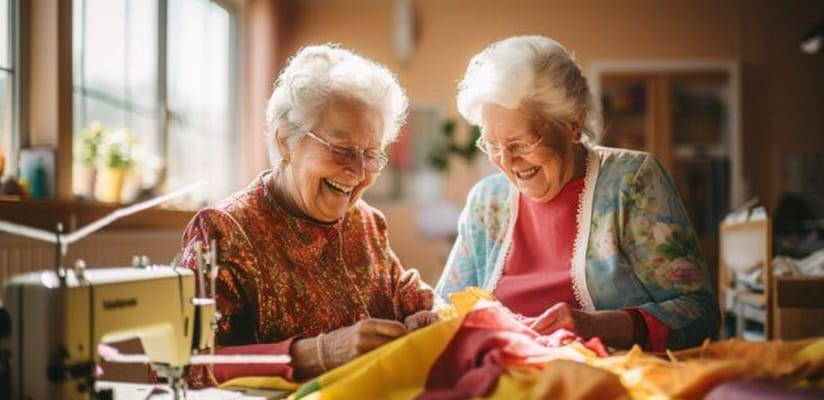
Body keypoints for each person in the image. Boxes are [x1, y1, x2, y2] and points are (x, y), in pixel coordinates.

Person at [435, 35, 720, 351]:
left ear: (573, 123)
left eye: (521, 143)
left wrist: (597, 326)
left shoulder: (632, 182)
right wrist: (423, 318)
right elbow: (445, 307)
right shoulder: (487, 202)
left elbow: (700, 313)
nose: (506, 162)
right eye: (491, 145)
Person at [179, 44, 439, 387]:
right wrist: (318, 353)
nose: (358, 171)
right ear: (286, 141)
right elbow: (184, 365)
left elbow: (412, 298)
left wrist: (427, 316)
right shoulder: (223, 232)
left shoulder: (367, 223)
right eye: (342, 150)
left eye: (371, 154)